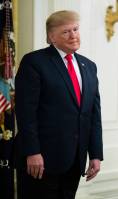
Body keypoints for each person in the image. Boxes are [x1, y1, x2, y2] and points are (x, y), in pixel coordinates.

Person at [15, 10, 103, 199]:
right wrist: (33, 152)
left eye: (76, 29)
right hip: (41, 161)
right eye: (66, 31)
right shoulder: (34, 62)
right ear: (51, 37)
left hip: (74, 161)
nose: (73, 35)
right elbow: (26, 113)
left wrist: (95, 154)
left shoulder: (89, 66)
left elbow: (93, 115)